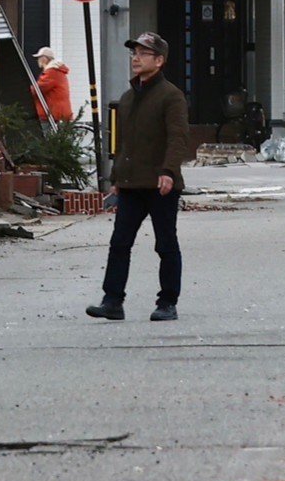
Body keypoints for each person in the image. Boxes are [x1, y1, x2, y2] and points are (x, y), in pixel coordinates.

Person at [87, 31, 188, 322]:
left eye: (143, 53)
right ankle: (112, 301)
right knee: (120, 243)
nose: (136, 58)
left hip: (160, 185)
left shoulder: (171, 96)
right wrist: (117, 177)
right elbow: (124, 144)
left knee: (165, 243)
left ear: (159, 60)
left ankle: (168, 302)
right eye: (134, 52)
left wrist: (169, 171)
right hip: (131, 185)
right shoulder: (128, 97)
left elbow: (178, 138)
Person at [34, 47, 75, 125]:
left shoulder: (51, 72)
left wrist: (26, 91)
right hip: (59, 111)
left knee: (47, 135)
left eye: (39, 58)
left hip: (52, 112)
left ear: (45, 59)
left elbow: (39, 89)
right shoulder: (57, 71)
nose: (37, 61)